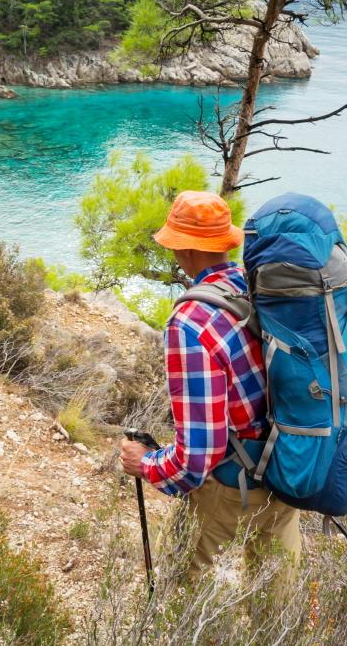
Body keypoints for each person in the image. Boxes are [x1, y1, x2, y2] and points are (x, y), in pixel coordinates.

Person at [117, 190, 302, 573]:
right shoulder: (254, 286)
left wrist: (146, 464)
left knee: (180, 595)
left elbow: (198, 457)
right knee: (282, 612)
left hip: (232, 487)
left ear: (183, 249)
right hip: (289, 466)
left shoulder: (191, 325)